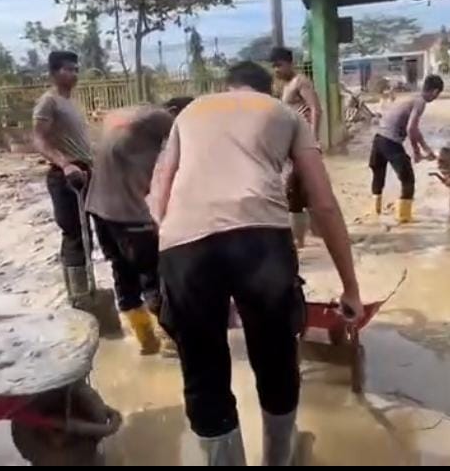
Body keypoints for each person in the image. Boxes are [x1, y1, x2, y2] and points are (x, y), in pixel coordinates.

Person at [149, 61, 363, 466]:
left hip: (183, 244)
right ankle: (277, 460)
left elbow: (160, 190)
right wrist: (350, 287)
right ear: (267, 90)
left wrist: (175, 253)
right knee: (275, 360)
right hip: (261, 238)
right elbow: (322, 204)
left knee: (203, 371)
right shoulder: (284, 113)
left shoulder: (191, 111)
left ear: (226, 87)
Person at [85, 99, 190, 355]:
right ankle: (172, 341)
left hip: (99, 208)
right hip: (132, 214)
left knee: (122, 273)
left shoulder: (123, 114)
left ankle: (146, 341)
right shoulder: (162, 118)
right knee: (154, 276)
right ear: (175, 113)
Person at [33, 51, 94, 308]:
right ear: (53, 73)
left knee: (86, 233)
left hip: (85, 172)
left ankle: (86, 290)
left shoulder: (72, 103)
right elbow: (38, 140)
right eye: (68, 69)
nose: (74, 74)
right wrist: (65, 164)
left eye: (76, 69)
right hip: (66, 175)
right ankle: (78, 297)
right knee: (74, 234)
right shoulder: (48, 102)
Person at [368, 75, 445, 223]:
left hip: (378, 139)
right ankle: (404, 220)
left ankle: (375, 215)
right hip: (390, 142)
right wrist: (416, 152)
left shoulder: (412, 98)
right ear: (435, 92)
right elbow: (411, 129)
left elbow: (415, 130)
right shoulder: (420, 102)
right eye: (438, 94)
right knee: (408, 180)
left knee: (378, 176)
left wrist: (426, 149)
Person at [271, 46, 322, 247]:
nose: (276, 70)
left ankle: (298, 241)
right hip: (292, 144)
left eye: (279, 65)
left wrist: (313, 140)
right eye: (274, 66)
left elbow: (316, 109)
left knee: (294, 190)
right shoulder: (285, 86)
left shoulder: (301, 82)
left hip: (304, 144)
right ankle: (315, 233)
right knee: (303, 189)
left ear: (290, 63)